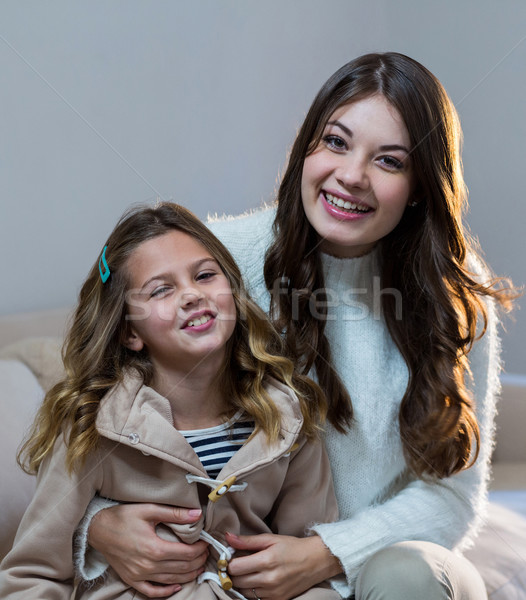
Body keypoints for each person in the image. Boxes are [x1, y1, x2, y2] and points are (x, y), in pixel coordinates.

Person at [76, 53, 514, 600]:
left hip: (382, 564)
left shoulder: (454, 292)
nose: (351, 176)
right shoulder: (220, 264)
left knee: (410, 577)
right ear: (306, 146)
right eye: (335, 141)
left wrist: (327, 553)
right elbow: (96, 427)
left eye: (390, 161)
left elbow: (453, 498)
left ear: (422, 183)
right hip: (234, 577)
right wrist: (97, 526)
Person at [0, 203, 340, 600]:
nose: (192, 295)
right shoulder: (91, 428)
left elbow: (308, 567)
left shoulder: (287, 416)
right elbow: (31, 576)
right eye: (162, 289)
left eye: (205, 275)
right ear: (130, 333)